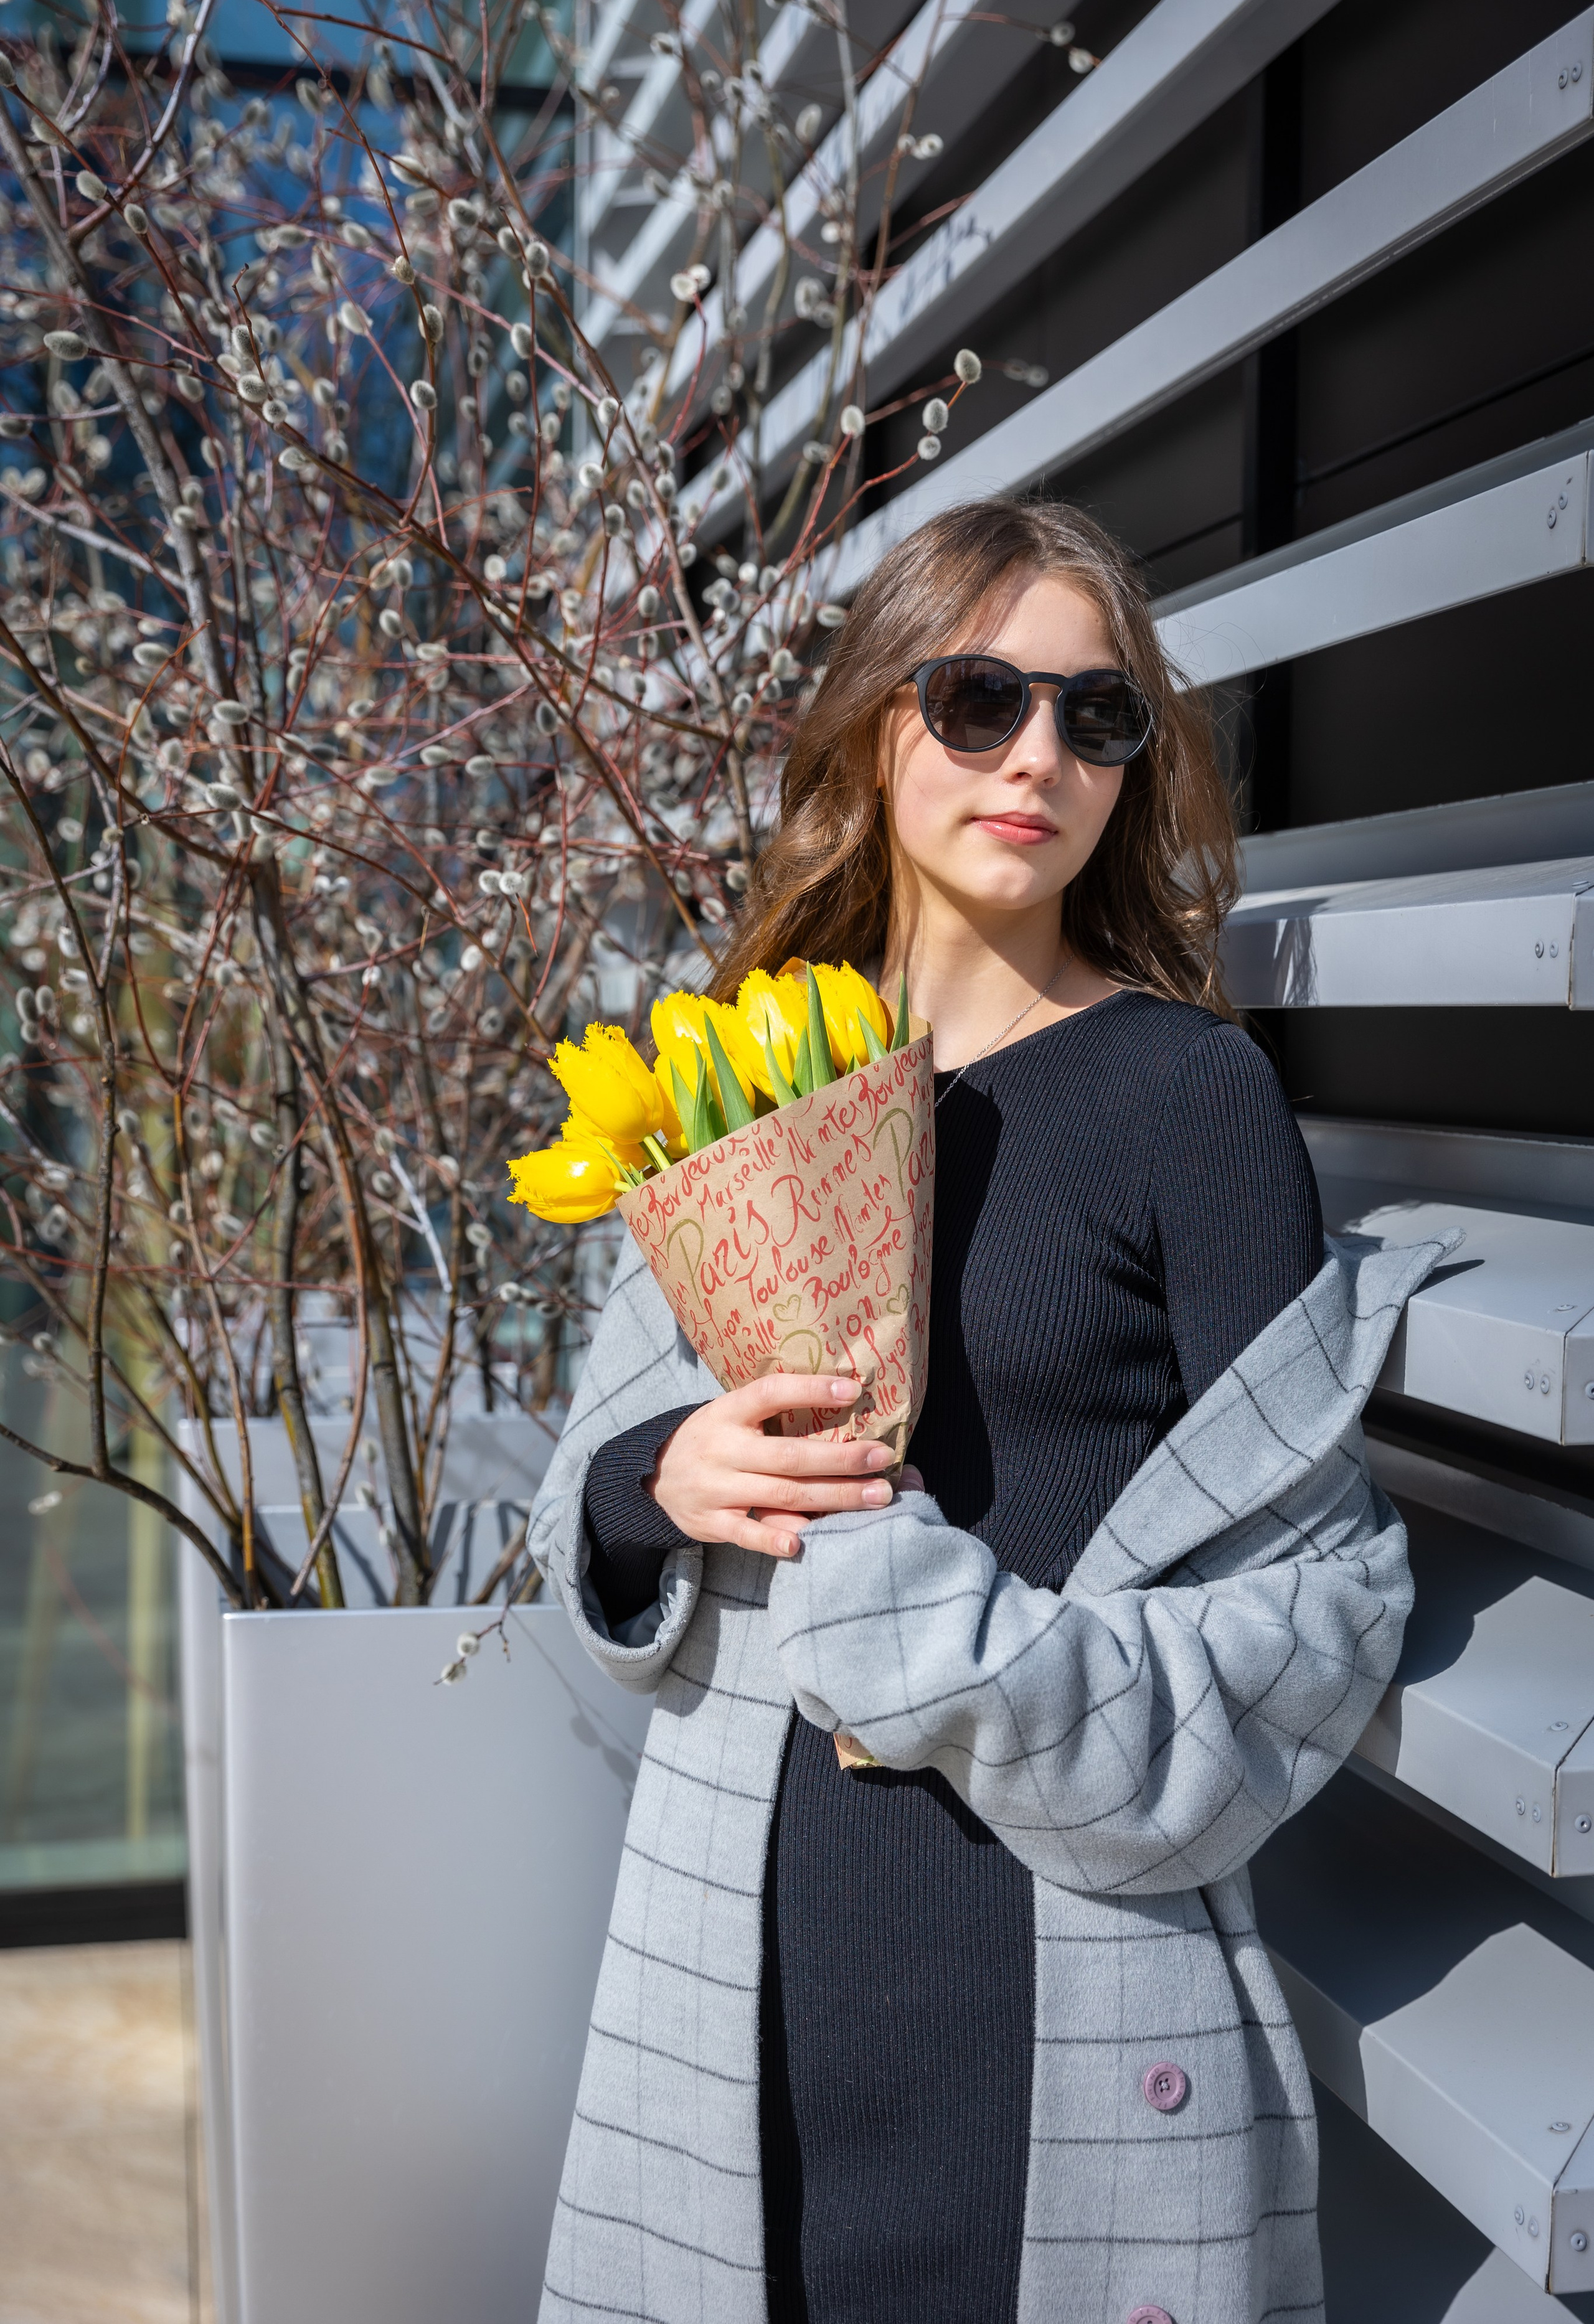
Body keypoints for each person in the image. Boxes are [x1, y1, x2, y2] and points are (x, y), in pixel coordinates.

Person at [530, 497, 1433, 2324]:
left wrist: (973, 1659)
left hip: (1063, 1970)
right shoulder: (744, 1065)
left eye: (1099, 720)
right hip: (743, 1952)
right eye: (979, 700)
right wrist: (659, 1479)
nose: (1039, 757)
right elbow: (591, 1497)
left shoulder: (1192, 1099)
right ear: (884, 726)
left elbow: (1320, 1608)